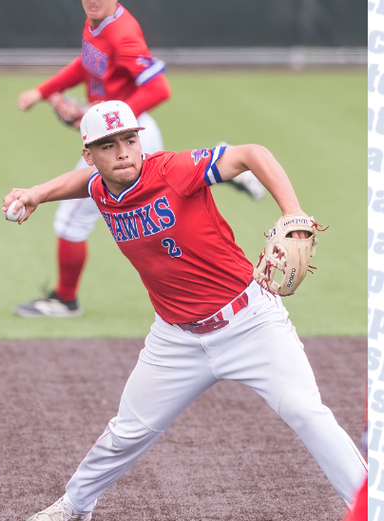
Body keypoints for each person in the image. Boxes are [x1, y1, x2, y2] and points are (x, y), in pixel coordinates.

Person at [2, 100, 366, 521]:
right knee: (127, 431)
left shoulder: (175, 169)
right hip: (175, 338)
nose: (123, 152)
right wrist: (38, 191)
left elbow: (253, 153)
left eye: (130, 140)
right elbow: (86, 185)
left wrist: (293, 216)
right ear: (90, 154)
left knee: (306, 411)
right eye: (108, 145)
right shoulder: (101, 188)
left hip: (249, 321)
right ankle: (74, 506)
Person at [13, 0, 265, 318]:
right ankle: (226, 166)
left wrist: (107, 125)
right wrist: (43, 90)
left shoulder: (123, 34)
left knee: (71, 220)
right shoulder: (96, 22)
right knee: (170, 189)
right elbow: (88, 64)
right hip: (131, 134)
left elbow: (159, 88)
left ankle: (65, 300)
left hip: (127, 138)